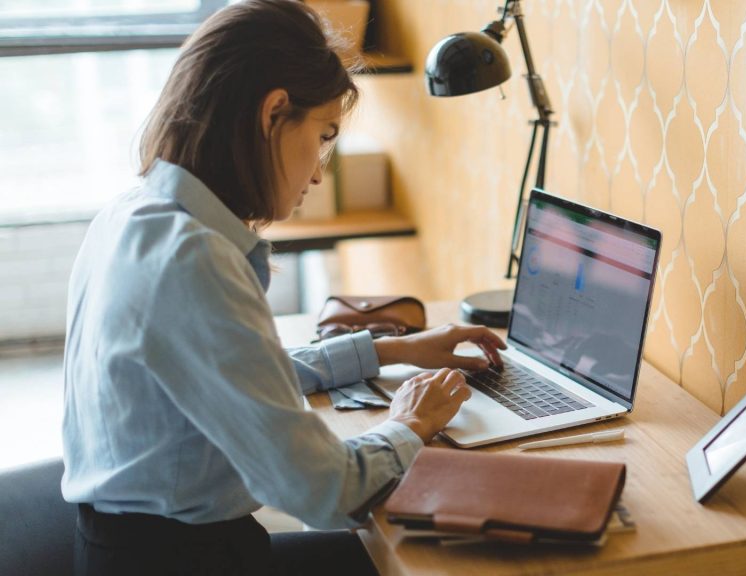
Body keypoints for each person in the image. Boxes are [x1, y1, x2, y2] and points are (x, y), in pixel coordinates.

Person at [61, 1, 506, 574]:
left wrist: (390, 349)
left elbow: (235, 375)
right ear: (274, 113)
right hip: (182, 560)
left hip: (135, 546)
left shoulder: (137, 212)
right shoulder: (192, 260)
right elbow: (325, 493)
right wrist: (411, 423)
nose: (320, 172)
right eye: (323, 136)